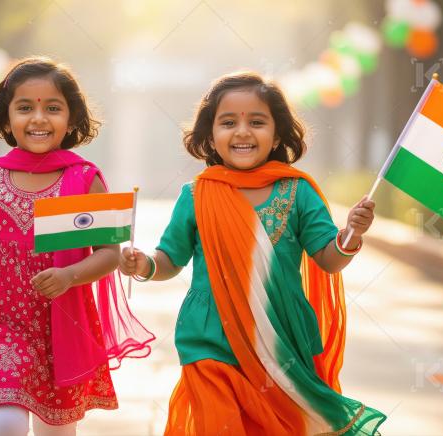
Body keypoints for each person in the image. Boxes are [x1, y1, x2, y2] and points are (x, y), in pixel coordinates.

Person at [119, 71, 386, 435]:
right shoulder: (197, 195)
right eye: (228, 122)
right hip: (209, 337)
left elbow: (328, 259)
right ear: (210, 136)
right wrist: (145, 265)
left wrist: (351, 234)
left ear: (276, 134)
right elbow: (171, 259)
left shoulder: (298, 192)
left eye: (256, 122)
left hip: (280, 339)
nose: (242, 132)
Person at [0, 56, 154, 436]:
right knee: (6, 422)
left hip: (61, 323)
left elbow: (109, 255)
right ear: (5, 118)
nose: (39, 118)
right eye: (25, 107)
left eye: (53, 108)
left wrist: (68, 275)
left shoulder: (85, 179)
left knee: (55, 430)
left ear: (71, 118)